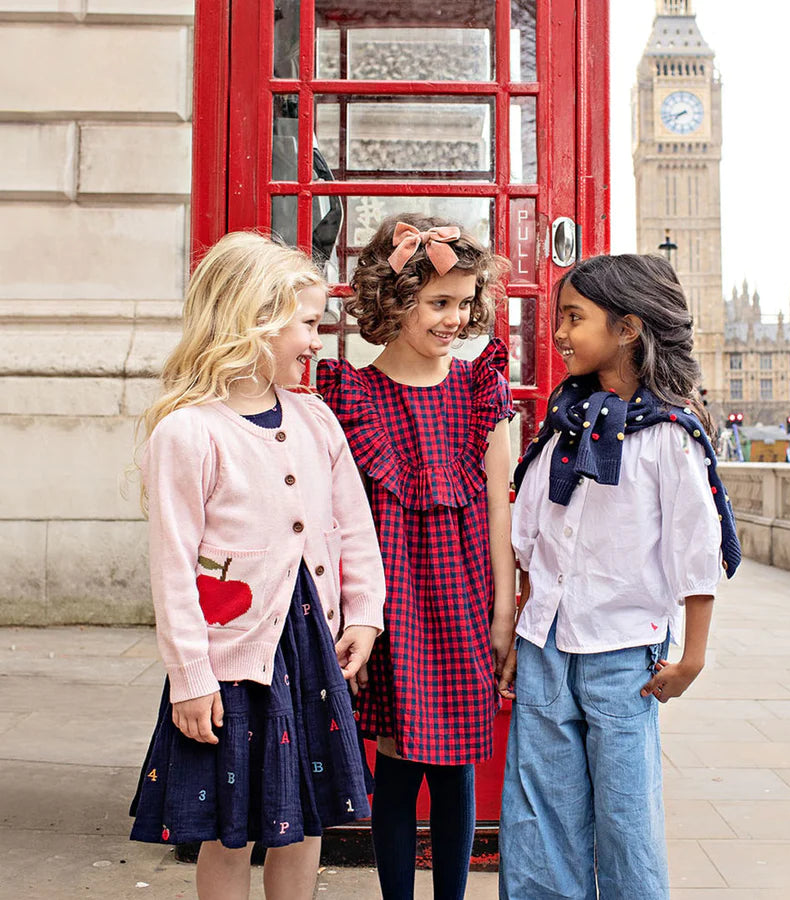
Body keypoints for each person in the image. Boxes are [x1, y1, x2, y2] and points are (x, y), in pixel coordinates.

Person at [129, 231, 386, 900]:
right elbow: (173, 568)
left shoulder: (316, 418)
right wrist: (190, 680)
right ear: (255, 319)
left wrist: (364, 615)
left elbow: (352, 526)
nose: (316, 338)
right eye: (306, 322)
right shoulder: (189, 432)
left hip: (308, 648)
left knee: (304, 818)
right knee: (226, 827)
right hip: (232, 661)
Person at [498, 253, 741, 900]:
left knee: (626, 818)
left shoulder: (667, 437)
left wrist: (692, 657)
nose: (558, 334)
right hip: (545, 648)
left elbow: (696, 550)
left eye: (574, 318)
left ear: (628, 327)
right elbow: (530, 536)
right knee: (538, 812)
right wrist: (523, 621)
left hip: (625, 656)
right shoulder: (560, 429)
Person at [316, 214, 517, 900]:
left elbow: (500, 506)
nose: (455, 318)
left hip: (462, 600)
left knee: (457, 769)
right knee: (396, 768)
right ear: (394, 301)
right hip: (392, 604)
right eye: (439, 303)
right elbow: (339, 520)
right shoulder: (354, 395)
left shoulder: (479, 388)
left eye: (465, 303)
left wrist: (504, 608)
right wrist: (349, 615)